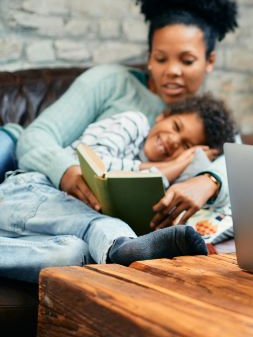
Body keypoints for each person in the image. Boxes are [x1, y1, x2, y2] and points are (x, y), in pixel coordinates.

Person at [4, 0, 237, 230]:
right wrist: (65, 171)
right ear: (149, 57)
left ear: (210, 61)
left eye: (187, 61)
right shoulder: (110, 81)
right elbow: (36, 136)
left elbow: (238, 162)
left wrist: (209, 180)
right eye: (161, 59)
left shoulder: (209, 122)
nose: (172, 71)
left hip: (79, 214)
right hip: (18, 158)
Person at [0, 94, 237, 282]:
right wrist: (172, 166)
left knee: (73, 255)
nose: (174, 141)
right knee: (98, 227)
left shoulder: (172, 185)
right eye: (175, 126)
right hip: (31, 193)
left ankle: (118, 248)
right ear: (162, 116)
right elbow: (94, 164)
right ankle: (121, 245)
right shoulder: (132, 123)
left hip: (59, 232)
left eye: (186, 146)